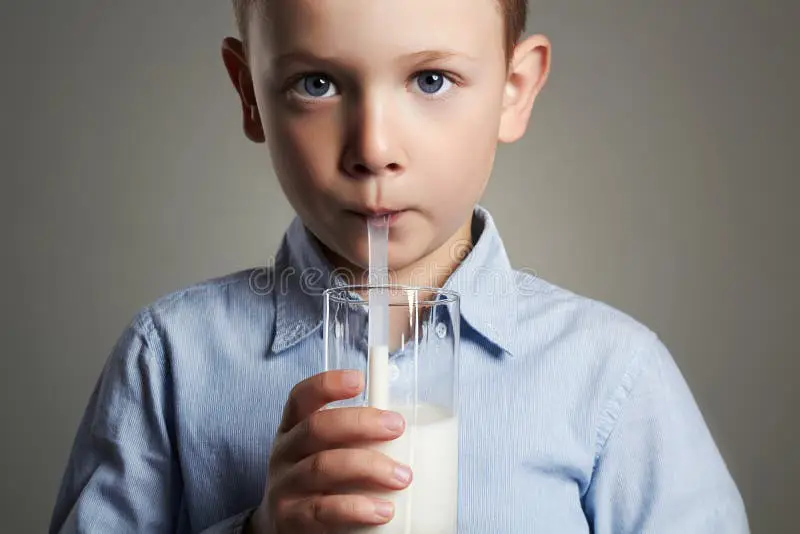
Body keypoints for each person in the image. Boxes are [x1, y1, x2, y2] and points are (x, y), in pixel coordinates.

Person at [49, 0, 750, 532]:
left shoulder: (610, 376)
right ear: (249, 93)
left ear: (514, 87)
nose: (374, 149)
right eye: (317, 83)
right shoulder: (171, 358)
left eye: (432, 79)